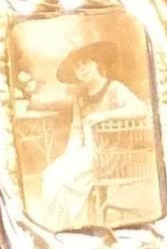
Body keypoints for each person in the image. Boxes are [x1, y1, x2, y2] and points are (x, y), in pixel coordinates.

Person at [35, 42, 153, 229]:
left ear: (96, 63)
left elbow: (139, 109)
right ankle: (59, 224)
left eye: (85, 63)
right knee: (51, 173)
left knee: (65, 177)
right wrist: (69, 156)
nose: (82, 69)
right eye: (77, 67)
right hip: (88, 153)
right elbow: (76, 130)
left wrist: (103, 116)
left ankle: (68, 224)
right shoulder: (80, 97)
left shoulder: (114, 88)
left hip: (113, 155)